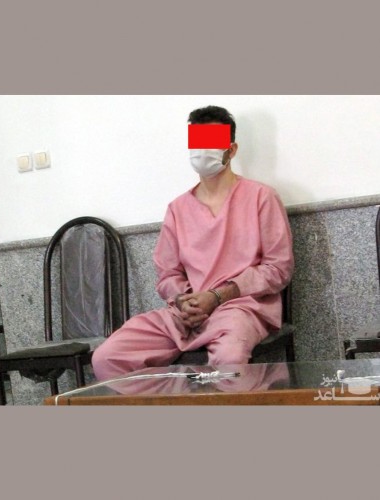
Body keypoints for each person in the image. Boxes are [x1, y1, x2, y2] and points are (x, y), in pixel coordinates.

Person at [92, 105, 294, 381]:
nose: (203, 151)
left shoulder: (261, 197)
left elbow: (278, 268)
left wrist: (217, 297)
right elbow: (168, 274)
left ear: (232, 150)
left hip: (241, 308)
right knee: (108, 357)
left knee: (229, 359)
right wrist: (183, 300)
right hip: (186, 313)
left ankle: (228, 403)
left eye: (212, 142)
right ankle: (175, 403)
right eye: (197, 143)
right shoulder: (178, 209)